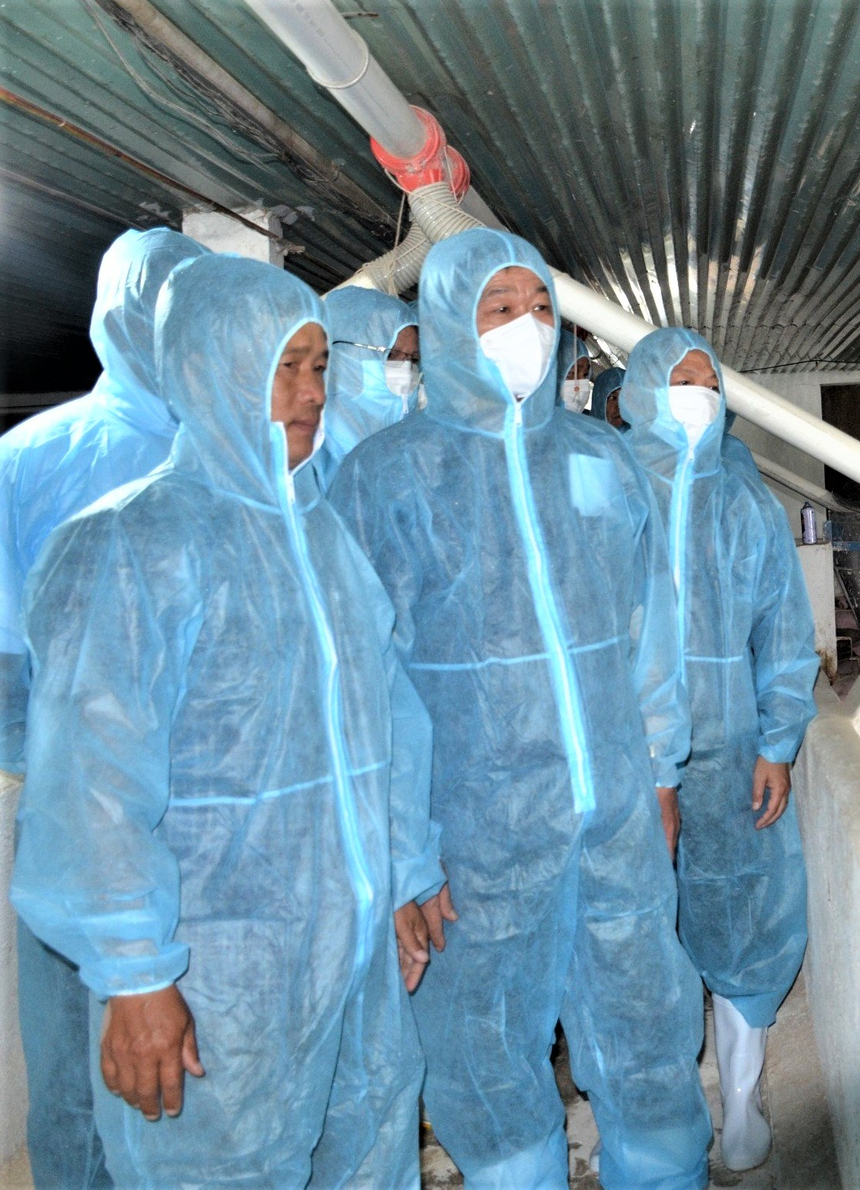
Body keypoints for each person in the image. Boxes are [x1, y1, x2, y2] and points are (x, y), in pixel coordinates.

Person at [9, 254, 441, 1188]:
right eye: (283, 366)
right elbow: (91, 786)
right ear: (209, 368)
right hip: (217, 978)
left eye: (320, 366)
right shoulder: (130, 544)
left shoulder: (323, 535)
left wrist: (402, 874)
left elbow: (384, 732)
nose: (310, 393)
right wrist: (134, 973)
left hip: (355, 951)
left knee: (367, 1154)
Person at [329, 229, 709, 1190]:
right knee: (485, 1051)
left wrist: (661, 769)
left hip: (616, 812)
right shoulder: (387, 477)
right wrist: (408, 856)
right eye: (499, 310)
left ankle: (664, 1174)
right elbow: (368, 688)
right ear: (451, 325)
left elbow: (646, 628)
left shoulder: (599, 458)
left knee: (648, 1028)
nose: (527, 328)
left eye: (539, 307)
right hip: (476, 835)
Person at [0, 225, 207, 1190]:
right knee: (84, 1081)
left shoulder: (249, 460)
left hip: (222, 825)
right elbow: (6, 676)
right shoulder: (31, 460)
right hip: (82, 822)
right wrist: (84, 799)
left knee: (196, 1081)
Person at [624, 328, 818, 1173]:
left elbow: (784, 628)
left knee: (745, 918)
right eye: (679, 379)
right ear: (640, 392)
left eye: (708, 378)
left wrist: (778, 740)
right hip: (624, 756)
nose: (698, 392)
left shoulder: (745, 500)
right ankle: (662, 1115)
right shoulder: (608, 484)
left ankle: (739, 1106)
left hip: (734, 745)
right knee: (636, 932)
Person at [312, 286, 419, 488]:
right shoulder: (310, 441)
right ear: (345, 353)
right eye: (391, 355)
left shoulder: (406, 440)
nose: (404, 369)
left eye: (413, 359)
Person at [593, 365, 627, 429]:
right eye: (613, 398)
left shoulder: (642, 436)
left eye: (625, 397)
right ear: (599, 402)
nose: (619, 406)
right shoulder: (581, 436)